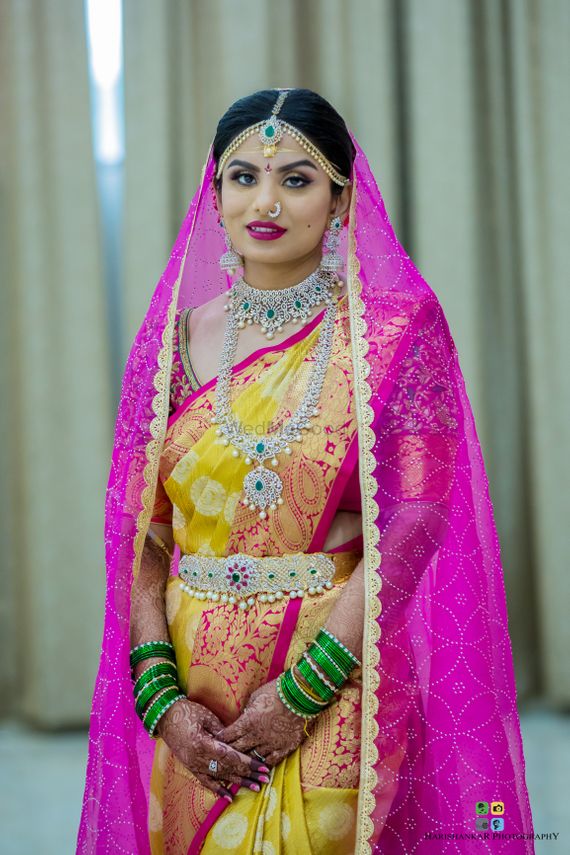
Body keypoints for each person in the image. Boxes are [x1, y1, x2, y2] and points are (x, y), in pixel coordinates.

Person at [77, 88, 534, 854]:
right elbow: (140, 528)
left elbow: (417, 517)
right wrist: (161, 695)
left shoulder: (395, 331)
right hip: (197, 673)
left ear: (341, 198)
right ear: (213, 192)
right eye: (243, 176)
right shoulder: (170, 343)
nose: (266, 200)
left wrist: (307, 687)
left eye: (297, 178)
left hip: (338, 654)